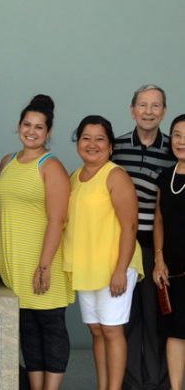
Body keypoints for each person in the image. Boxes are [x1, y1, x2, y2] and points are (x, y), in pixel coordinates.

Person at [0, 95, 74, 390]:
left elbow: (57, 219)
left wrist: (44, 266)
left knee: (51, 327)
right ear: (19, 126)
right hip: (14, 262)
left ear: (48, 132)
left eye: (39, 127)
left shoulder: (51, 167)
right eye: (27, 124)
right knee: (26, 328)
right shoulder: (7, 162)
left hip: (43, 261)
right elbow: (0, 210)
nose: (31, 131)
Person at [64, 115, 144, 390]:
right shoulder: (75, 177)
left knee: (111, 329)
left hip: (114, 266)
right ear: (78, 143)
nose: (92, 144)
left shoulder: (115, 175)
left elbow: (130, 226)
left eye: (100, 139)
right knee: (96, 330)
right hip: (87, 267)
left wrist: (121, 269)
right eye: (86, 138)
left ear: (110, 146)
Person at [112, 84, 173, 390]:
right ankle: (131, 382)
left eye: (155, 105)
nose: (148, 111)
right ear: (132, 109)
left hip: (155, 247)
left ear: (164, 111)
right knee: (125, 317)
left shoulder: (174, 148)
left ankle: (157, 383)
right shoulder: (116, 147)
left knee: (156, 317)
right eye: (143, 105)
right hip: (121, 245)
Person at [153, 114, 185, 390]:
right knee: (175, 332)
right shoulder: (166, 176)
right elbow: (159, 219)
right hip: (172, 270)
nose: (181, 141)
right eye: (177, 134)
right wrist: (159, 259)